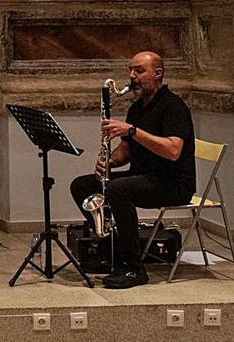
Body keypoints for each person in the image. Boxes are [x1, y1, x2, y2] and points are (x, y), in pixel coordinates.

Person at [70, 51, 195, 289]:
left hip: (173, 183)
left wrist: (132, 131)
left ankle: (134, 267)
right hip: (144, 177)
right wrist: (110, 162)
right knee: (82, 185)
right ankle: (111, 251)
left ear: (158, 74)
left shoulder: (173, 106)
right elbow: (125, 151)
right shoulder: (137, 108)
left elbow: (172, 150)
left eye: (139, 70)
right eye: (130, 70)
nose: (131, 76)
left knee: (118, 190)